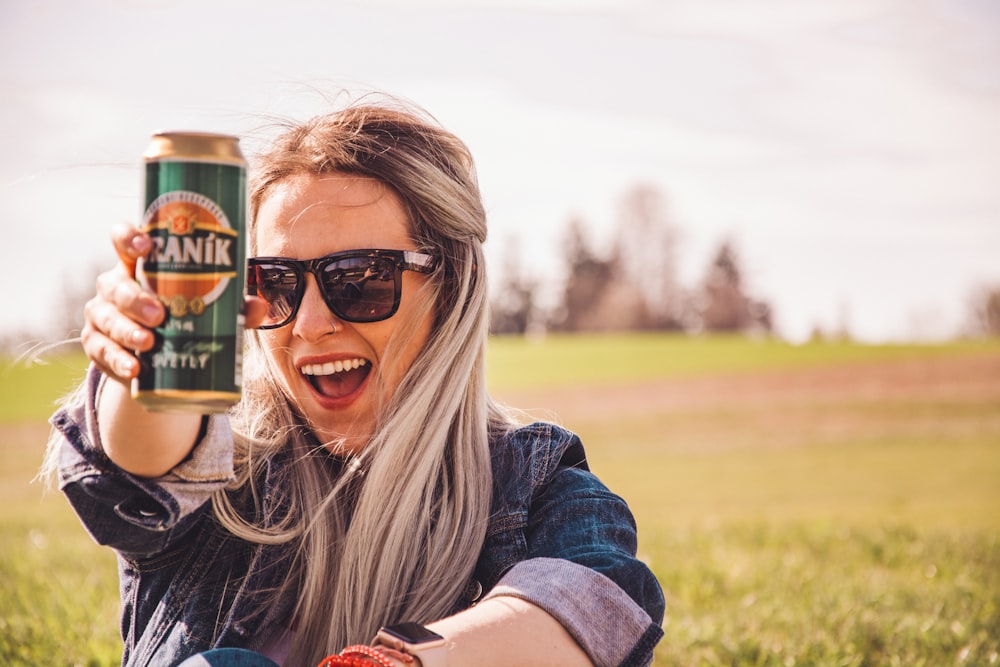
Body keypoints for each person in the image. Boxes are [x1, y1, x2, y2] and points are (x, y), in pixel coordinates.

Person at [44, 99, 664, 667]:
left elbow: (587, 612)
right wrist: (140, 359)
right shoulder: (219, 463)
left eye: (360, 278)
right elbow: (140, 467)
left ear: (449, 289)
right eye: (277, 282)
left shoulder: (533, 479)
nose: (310, 325)